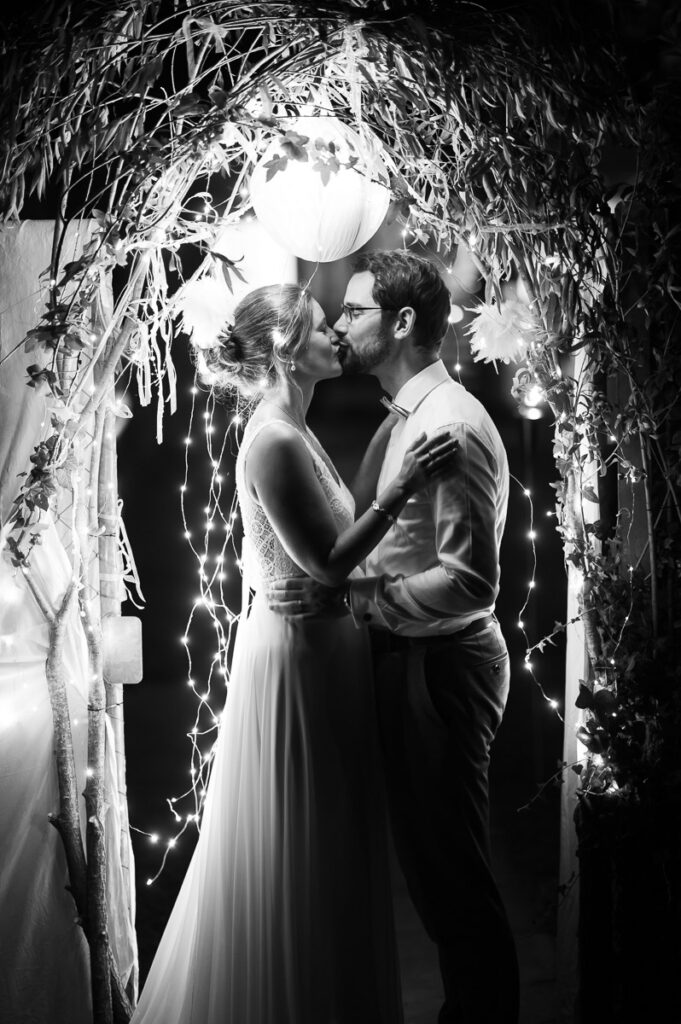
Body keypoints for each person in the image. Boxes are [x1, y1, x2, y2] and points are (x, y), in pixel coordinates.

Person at [130, 282, 458, 1024]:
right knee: (307, 846)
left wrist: (393, 433)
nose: (336, 332)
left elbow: (339, 523)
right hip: (298, 661)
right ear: (284, 351)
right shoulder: (274, 438)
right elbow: (330, 562)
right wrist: (405, 484)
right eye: (318, 327)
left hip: (324, 648)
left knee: (332, 842)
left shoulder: (295, 426)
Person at [267, 252, 520, 1024]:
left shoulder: (447, 426)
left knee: (452, 879)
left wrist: (365, 602)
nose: (340, 325)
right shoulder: (407, 417)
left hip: (439, 664)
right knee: (433, 873)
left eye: (355, 311)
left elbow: (470, 583)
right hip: (416, 658)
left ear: (403, 322)